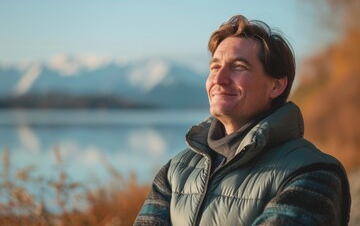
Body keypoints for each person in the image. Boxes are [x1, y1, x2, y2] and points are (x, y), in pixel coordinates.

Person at [134, 15, 351, 226]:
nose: (219, 79)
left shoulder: (313, 172)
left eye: (238, 66)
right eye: (215, 67)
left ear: (276, 86)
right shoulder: (175, 171)